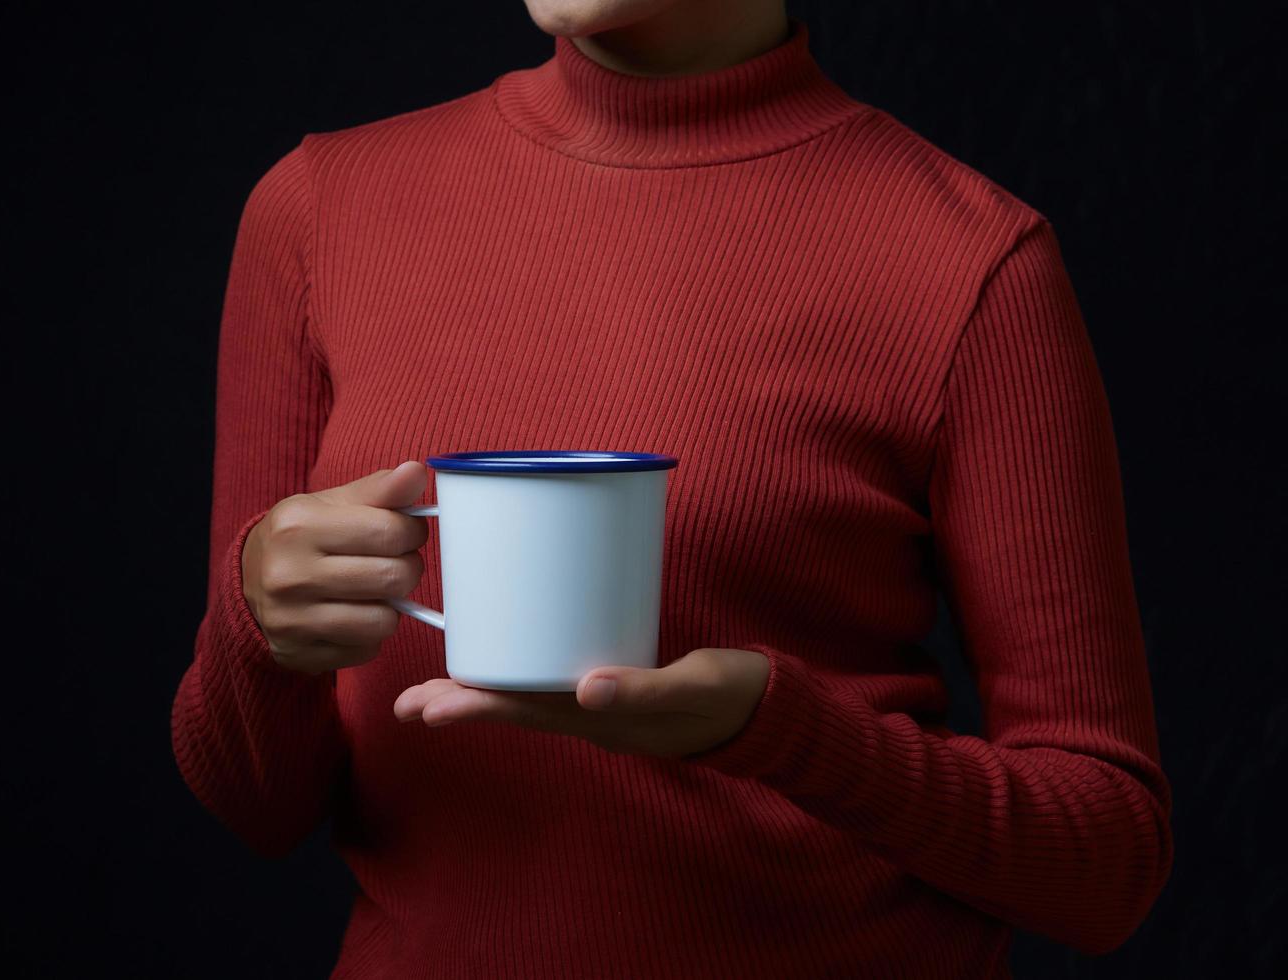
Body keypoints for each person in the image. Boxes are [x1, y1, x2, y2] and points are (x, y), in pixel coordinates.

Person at [171, 0, 1174, 975]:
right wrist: (255, 616)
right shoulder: (316, 209)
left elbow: (1106, 868)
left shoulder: (968, 258)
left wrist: (780, 730)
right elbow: (256, 805)